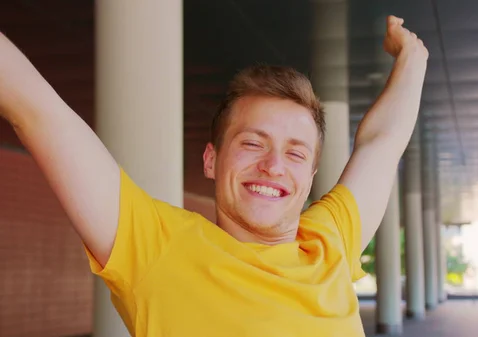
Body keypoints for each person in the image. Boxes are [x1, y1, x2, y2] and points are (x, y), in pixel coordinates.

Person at [0, 15, 427, 337]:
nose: (274, 165)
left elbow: (382, 144)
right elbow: (35, 111)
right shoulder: (154, 247)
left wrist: (412, 57)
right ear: (211, 160)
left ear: (311, 175)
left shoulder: (330, 239)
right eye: (253, 143)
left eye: (295, 152)